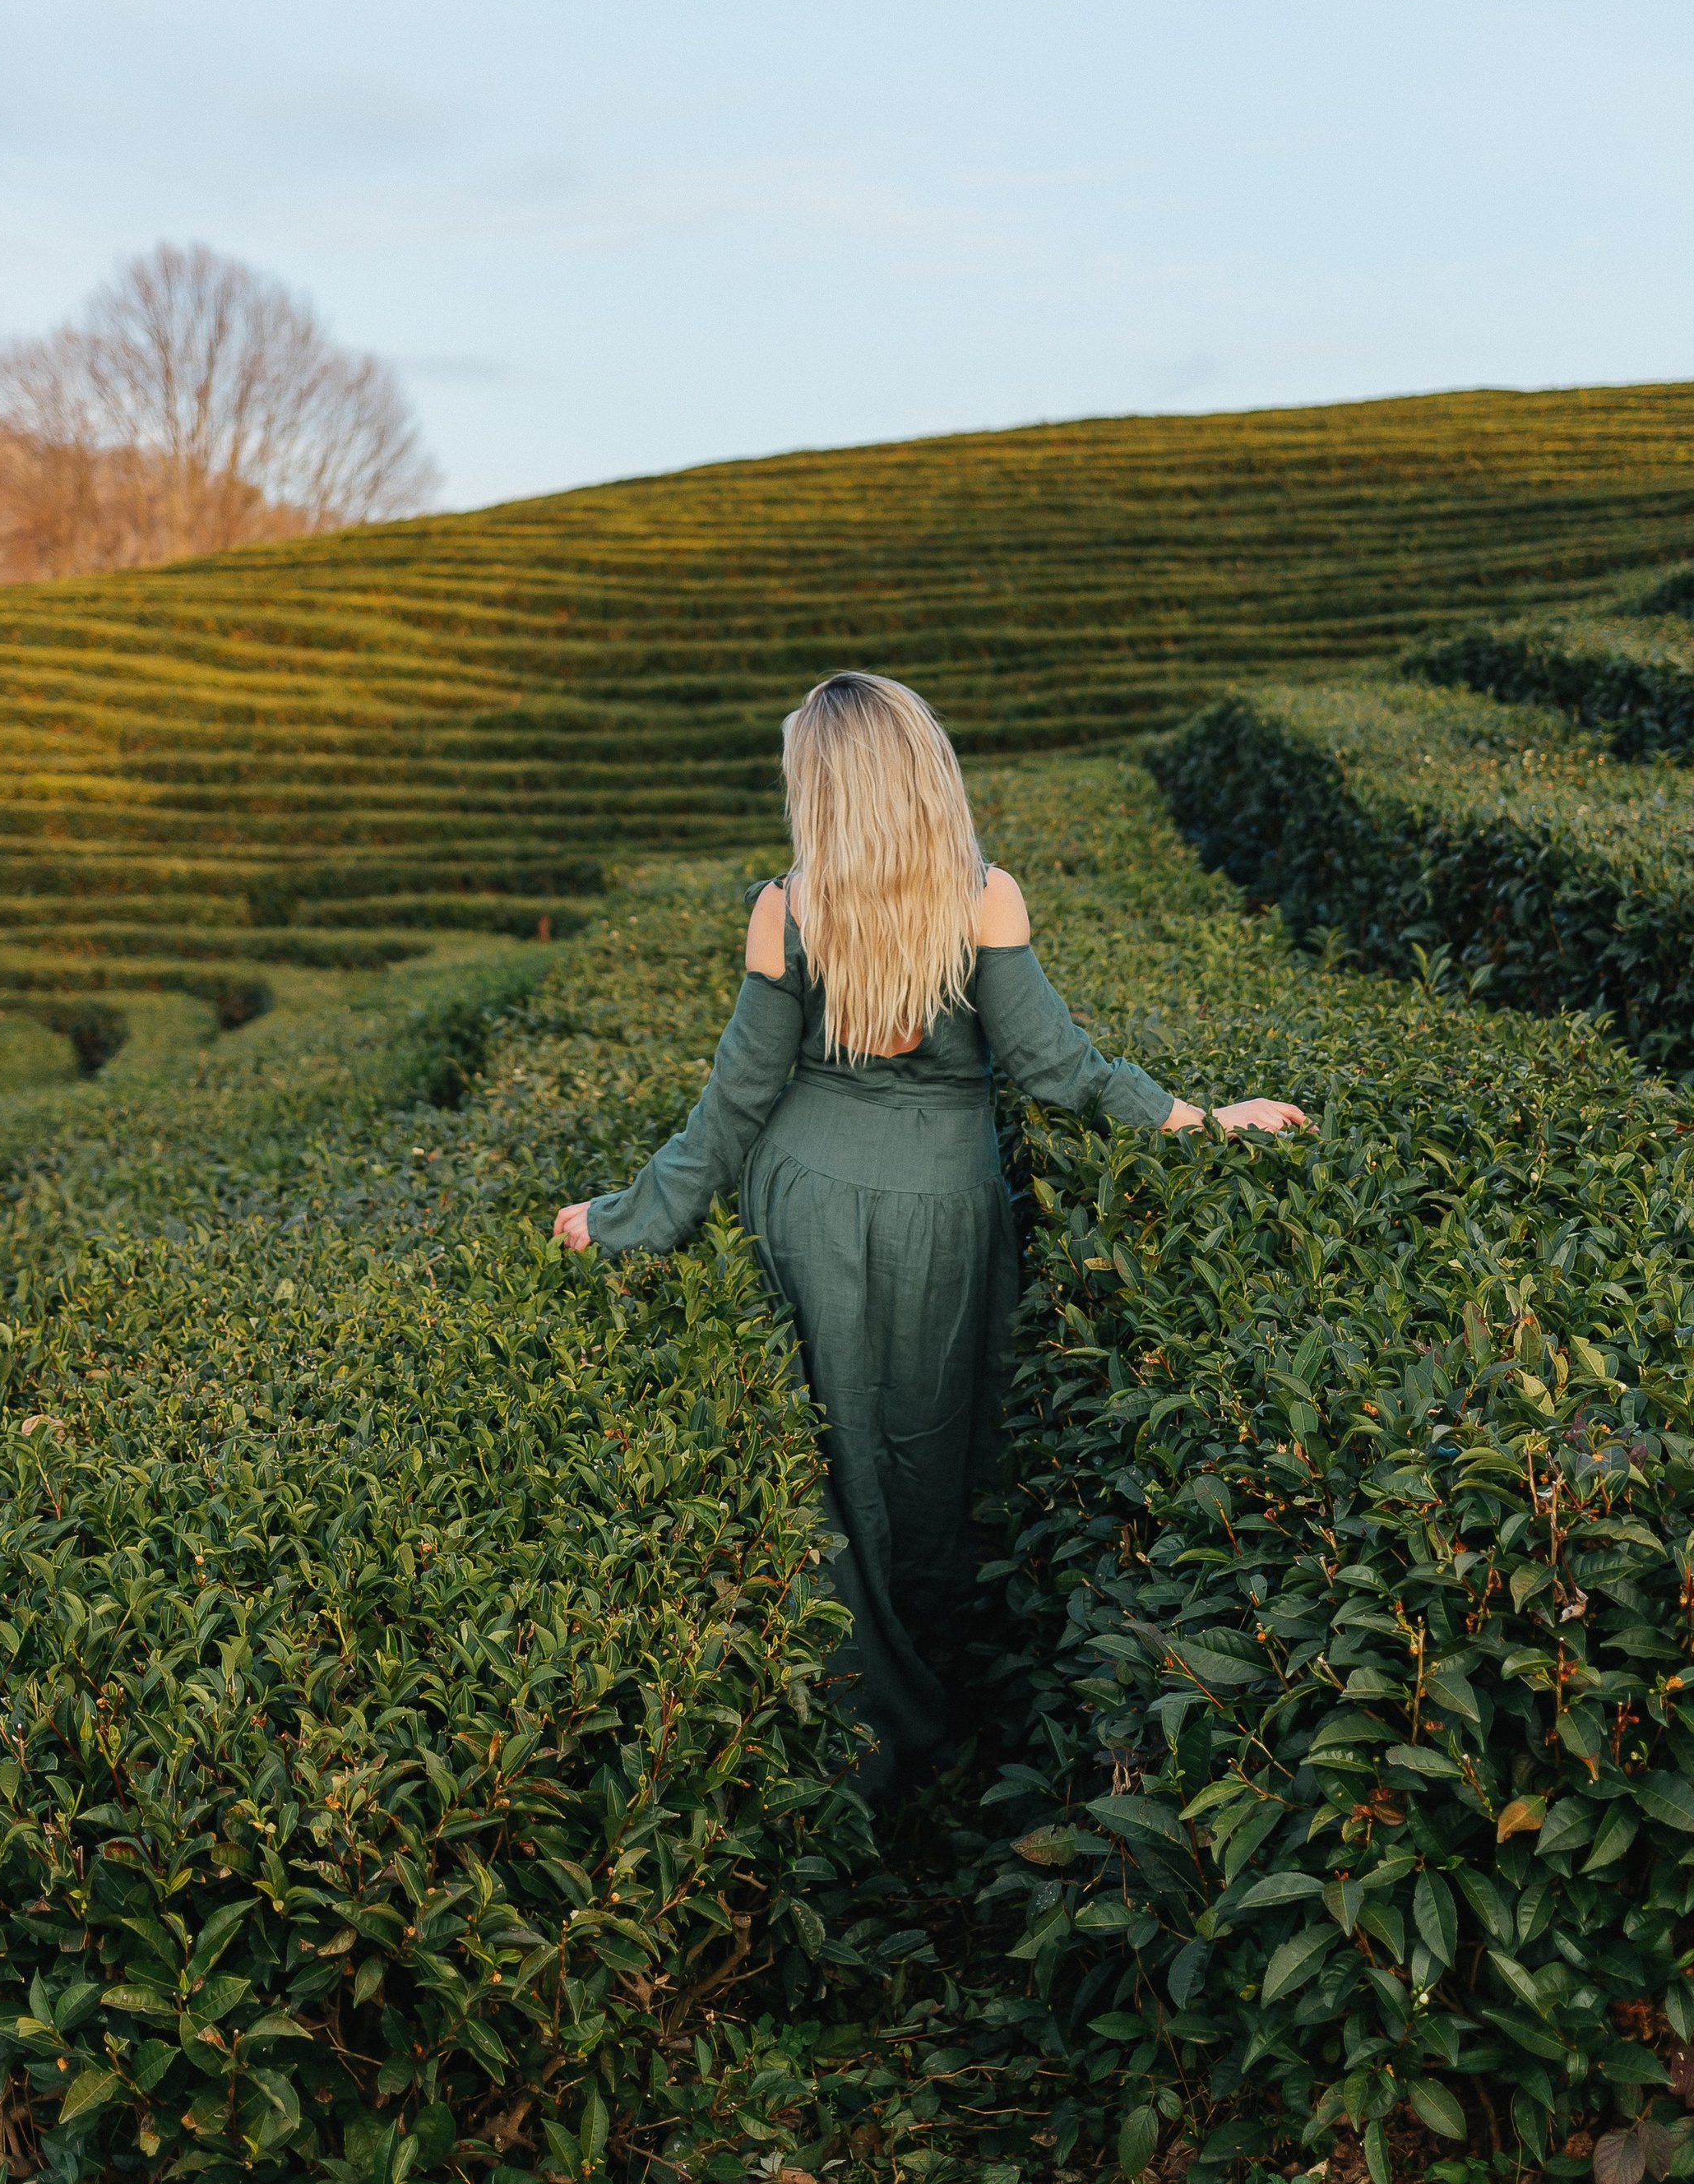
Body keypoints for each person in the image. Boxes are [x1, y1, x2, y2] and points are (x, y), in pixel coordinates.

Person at [553, 671, 1307, 1798]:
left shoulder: (786, 906)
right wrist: (1205, 1122)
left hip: (802, 1196)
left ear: (824, 789)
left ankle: (859, 1722)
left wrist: (627, 1220)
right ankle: (968, 1707)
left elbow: (736, 1103)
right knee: (945, 1445)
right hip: (946, 1202)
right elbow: (1063, 1075)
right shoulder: (984, 897)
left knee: (831, 1453)